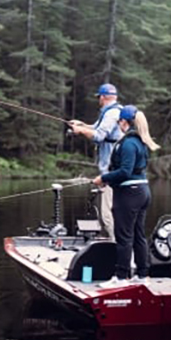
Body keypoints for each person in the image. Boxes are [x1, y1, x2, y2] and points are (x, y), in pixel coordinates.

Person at [93, 105, 160, 288]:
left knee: (124, 237)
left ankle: (121, 277)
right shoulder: (139, 141)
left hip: (129, 195)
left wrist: (104, 178)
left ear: (124, 122)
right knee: (138, 235)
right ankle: (142, 274)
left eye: (118, 121)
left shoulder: (129, 143)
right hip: (142, 192)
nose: (118, 124)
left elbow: (125, 171)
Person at [69, 83, 123, 239]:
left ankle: (117, 246)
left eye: (99, 96)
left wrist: (81, 131)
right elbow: (97, 128)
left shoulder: (112, 114)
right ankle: (117, 244)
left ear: (104, 97)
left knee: (107, 215)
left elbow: (99, 136)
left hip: (111, 173)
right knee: (109, 213)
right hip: (111, 172)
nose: (98, 99)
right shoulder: (112, 112)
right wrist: (82, 125)